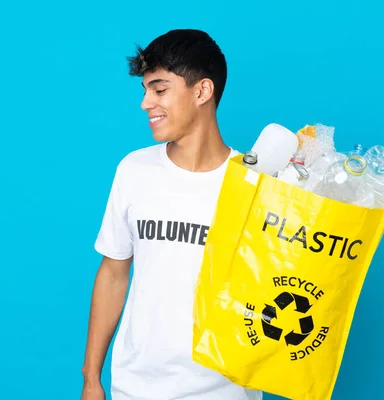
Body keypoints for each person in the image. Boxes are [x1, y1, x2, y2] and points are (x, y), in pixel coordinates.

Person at [80, 29, 262, 400]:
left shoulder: (256, 184)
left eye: (159, 90)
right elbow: (114, 274)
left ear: (202, 92)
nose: (146, 103)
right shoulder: (134, 170)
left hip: (224, 391)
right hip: (135, 387)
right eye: (145, 90)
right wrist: (91, 379)